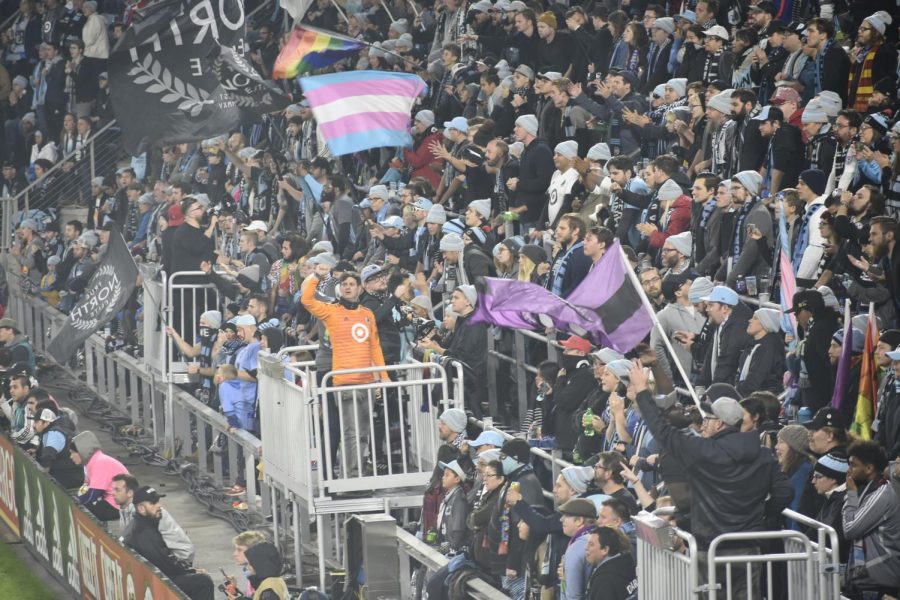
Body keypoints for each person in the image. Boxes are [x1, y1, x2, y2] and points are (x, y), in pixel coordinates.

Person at [628, 361, 792, 598]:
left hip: (711, 549)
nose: (703, 423)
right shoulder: (764, 455)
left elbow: (662, 432)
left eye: (708, 418)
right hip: (749, 548)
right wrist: (760, 516)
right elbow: (784, 494)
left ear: (720, 423)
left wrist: (643, 393)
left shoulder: (704, 451)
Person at [301, 270, 389, 477]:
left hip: (366, 381)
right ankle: (351, 476)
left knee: (363, 432)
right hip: (344, 382)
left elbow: (375, 347)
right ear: (340, 288)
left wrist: (383, 377)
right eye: (344, 284)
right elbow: (306, 300)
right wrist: (316, 277)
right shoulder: (331, 312)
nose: (348, 287)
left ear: (360, 288)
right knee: (351, 432)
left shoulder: (368, 314)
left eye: (352, 283)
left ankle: (356, 472)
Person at [126, 486, 214, 600]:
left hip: (146, 576)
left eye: (158, 501)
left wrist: (188, 569)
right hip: (151, 581)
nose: (159, 505)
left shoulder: (138, 524)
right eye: (153, 503)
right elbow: (165, 564)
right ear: (141, 508)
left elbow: (163, 560)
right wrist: (190, 570)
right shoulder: (145, 531)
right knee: (203, 581)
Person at [842, 441, 900, 596]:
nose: (848, 471)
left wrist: (850, 496)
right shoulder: (869, 490)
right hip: (867, 581)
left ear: (868, 468)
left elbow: (850, 529)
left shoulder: (882, 494)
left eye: (853, 465)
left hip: (879, 583)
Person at [113, 474, 195, 564]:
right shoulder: (125, 509)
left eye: (117, 490)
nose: (113, 493)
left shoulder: (148, 512)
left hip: (179, 557)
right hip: (161, 555)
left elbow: (146, 546)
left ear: (130, 493)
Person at [698, 286, 752, 387]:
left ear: (725, 308)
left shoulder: (737, 328)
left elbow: (727, 363)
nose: (707, 309)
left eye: (711, 305)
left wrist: (714, 391)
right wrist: (701, 383)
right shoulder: (722, 322)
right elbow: (710, 356)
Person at [69, 430, 129, 521]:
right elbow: (87, 490)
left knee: (80, 510)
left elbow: (92, 495)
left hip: (119, 505)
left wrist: (76, 501)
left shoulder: (99, 462)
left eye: (73, 452)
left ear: (82, 451)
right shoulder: (92, 462)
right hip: (113, 500)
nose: (71, 456)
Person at [31, 403, 83, 489]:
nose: (33, 425)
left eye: (36, 422)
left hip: (67, 478)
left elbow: (47, 458)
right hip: (73, 475)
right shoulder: (55, 429)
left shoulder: (52, 434)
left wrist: (41, 478)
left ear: (46, 423)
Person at [736, 308, 785, 396]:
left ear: (765, 323)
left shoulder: (769, 346)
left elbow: (756, 378)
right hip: (750, 393)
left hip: (763, 398)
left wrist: (738, 392)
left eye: (755, 318)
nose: (750, 320)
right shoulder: (753, 343)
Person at [557, 498, 597, 600]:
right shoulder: (599, 538)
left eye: (566, 516)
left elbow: (574, 595)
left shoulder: (577, 547)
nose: (561, 519)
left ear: (579, 520)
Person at [584, 526, 637, 600]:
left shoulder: (604, 580)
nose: (586, 548)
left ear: (605, 550)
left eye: (591, 545)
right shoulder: (629, 564)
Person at [435, 459, 469, 555]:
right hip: (447, 545)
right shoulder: (450, 496)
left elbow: (459, 528)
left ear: (457, 479)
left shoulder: (459, 499)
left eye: (447, 475)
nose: (443, 477)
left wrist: (452, 547)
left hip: (454, 550)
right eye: (443, 474)